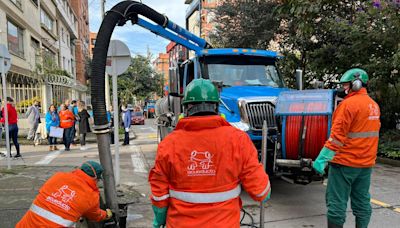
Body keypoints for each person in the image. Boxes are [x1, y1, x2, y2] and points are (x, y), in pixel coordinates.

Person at [148, 79, 271, 228]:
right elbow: (261, 192)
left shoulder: (168, 144)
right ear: (217, 107)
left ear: (185, 109)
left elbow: (159, 194)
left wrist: (159, 219)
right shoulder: (238, 140)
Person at [312, 68, 381, 228]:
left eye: (346, 85)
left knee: (336, 205)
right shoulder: (374, 106)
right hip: (365, 165)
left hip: (344, 164)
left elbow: (337, 137)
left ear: (356, 84)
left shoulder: (348, 105)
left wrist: (322, 159)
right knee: (362, 203)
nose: (344, 89)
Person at [16, 161, 113, 227]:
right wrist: (106, 214)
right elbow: (95, 215)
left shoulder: (58, 177)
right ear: (95, 178)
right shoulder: (90, 196)